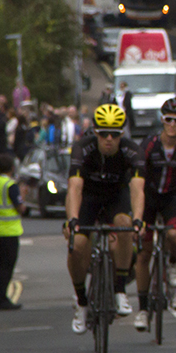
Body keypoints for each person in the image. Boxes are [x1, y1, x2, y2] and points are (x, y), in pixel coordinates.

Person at [64, 104, 146, 333]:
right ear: (95, 132)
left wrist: (138, 219)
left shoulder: (132, 151)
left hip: (115, 197)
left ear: (122, 134)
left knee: (125, 225)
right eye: (103, 133)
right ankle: (81, 301)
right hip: (88, 198)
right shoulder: (83, 148)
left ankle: (119, 289)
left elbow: (138, 190)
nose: (109, 139)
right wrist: (72, 219)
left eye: (115, 134)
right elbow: (75, 188)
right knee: (77, 245)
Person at [134, 98, 176, 330]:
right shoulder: (149, 144)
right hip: (149, 197)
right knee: (143, 252)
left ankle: (173, 263)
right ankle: (143, 308)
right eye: (168, 120)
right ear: (162, 120)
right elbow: (138, 183)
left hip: (172, 197)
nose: (172, 124)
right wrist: (138, 218)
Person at [0, 153, 26, 310]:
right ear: (12, 168)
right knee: (6, 266)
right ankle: (3, 299)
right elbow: (21, 208)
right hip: (9, 231)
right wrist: (22, 194)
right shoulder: (10, 185)